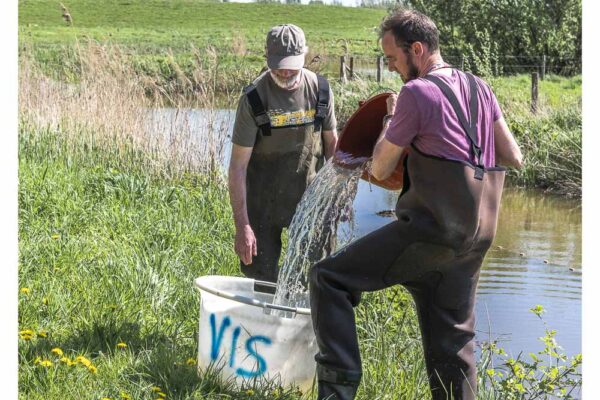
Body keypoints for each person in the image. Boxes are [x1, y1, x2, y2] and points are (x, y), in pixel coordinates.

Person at [309, 9, 522, 400]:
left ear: (417, 49)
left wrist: (392, 119)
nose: (391, 67)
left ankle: (336, 394)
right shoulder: (480, 87)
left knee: (329, 279)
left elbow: (380, 165)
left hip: (431, 229)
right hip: (475, 235)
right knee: (455, 344)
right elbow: (513, 156)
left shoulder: (416, 92)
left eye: (392, 58)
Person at [228, 24, 338, 284]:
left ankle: (308, 323)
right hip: (263, 201)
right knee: (261, 277)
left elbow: (333, 147)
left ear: (304, 57)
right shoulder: (254, 99)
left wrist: (335, 198)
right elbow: (237, 168)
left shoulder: (320, 90)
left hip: (311, 198)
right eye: (278, 64)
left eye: (291, 65)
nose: (285, 71)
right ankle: (261, 323)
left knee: (317, 275)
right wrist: (242, 226)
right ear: (267, 57)